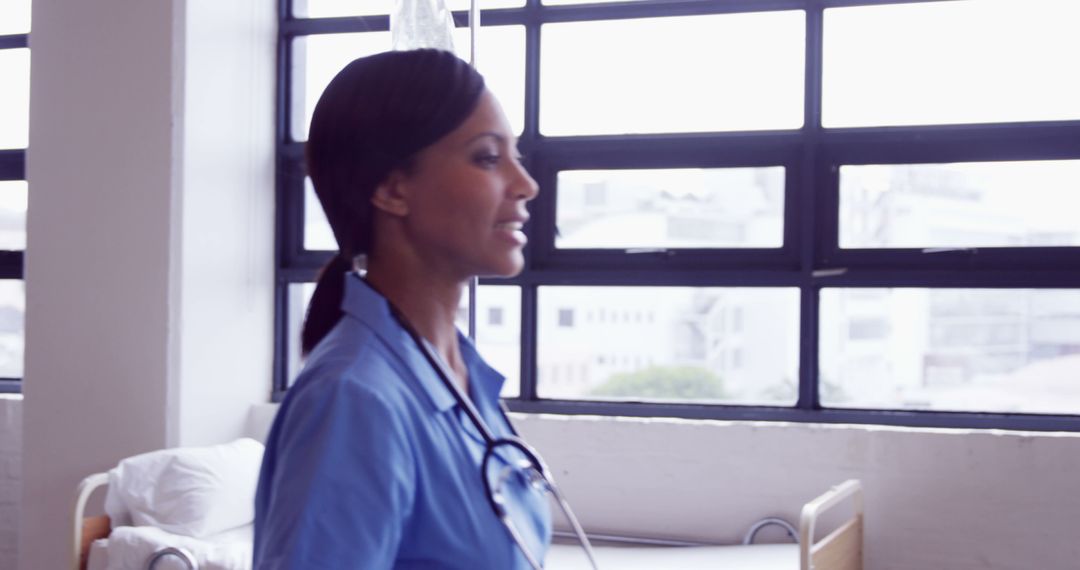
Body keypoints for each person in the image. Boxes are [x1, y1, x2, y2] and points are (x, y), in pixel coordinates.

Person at [253, 49, 550, 569]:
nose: (526, 185)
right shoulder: (353, 399)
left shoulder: (462, 375)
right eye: (486, 157)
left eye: (516, 155)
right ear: (392, 189)